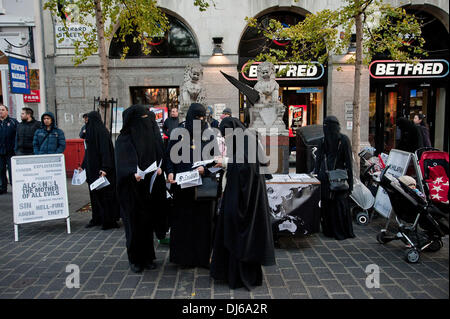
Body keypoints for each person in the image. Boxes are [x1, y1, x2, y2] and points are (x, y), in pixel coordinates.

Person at [210, 117, 275, 290]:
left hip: (245, 197)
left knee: (239, 231)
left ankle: (240, 275)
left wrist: (225, 163)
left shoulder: (246, 140)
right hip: (244, 194)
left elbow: (246, 167)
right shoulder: (243, 139)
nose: (226, 138)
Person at [115, 105, 167, 273]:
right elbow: (121, 164)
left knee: (147, 224)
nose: (146, 122)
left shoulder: (151, 134)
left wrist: (161, 167)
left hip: (149, 187)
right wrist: (132, 173)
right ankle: (135, 259)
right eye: (142, 119)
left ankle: (148, 257)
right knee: (134, 225)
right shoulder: (124, 139)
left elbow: (159, 152)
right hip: (132, 190)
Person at [166, 103, 217, 268]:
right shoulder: (178, 133)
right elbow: (169, 157)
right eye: (196, 117)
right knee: (184, 222)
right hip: (183, 186)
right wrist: (170, 172)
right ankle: (184, 258)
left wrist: (206, 169)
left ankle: (203, 257)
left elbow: (215, 160)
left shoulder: (209, 135)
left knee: (204, 223)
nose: (200, 120)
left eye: (202, 117)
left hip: (203, 188)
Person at [314, 116, 355, 240]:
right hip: (339, 178)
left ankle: (329, 230)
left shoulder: (322, 141)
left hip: (325, 178)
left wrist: (316, 175)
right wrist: (351, 183)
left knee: (327, 204)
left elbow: (318, 161)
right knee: (340, 205)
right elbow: (349, 163)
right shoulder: (343, 140)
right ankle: (341, 231)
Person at [80, 111, 120, 230]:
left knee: (105, 197)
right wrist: (83, 165)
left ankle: (108, 220)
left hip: (102, 171)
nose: (86, 123)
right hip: (92, 169)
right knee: (95, 196)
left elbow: (106, 152)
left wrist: (105, 168)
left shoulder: (102, 133)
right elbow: (88, 152)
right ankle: (96, 218)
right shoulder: (90, 133)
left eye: (88, 120)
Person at [0, 104, 18, 194]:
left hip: (11, 151)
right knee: (1, 170)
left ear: (7, 111)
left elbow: (18, 136)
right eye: (0, 110)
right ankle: (2, 188)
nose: (1, 111)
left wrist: (15, 148)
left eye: (2, 110)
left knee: (12, 171)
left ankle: (14, 187)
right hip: (0, 152)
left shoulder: (13, 122)